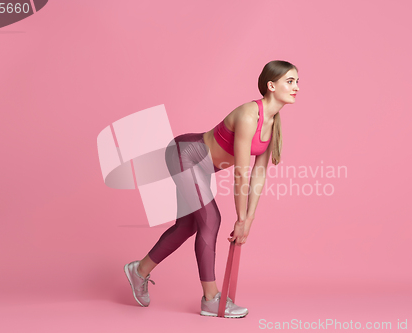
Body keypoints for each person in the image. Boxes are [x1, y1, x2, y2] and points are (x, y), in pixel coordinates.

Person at [124, 60, 299, 318]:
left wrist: (249, 219)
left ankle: (138, 270)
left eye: (297, 82)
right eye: (290, 81)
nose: (296, 87)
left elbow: (258, 174)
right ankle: (211, 299)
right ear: (271, 86)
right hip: (185, 154)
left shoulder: (273, 124)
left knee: (187, 225)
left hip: (201, 168)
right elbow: (240, 173)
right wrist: (240, 219)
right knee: (211, 219)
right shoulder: (250, 115)